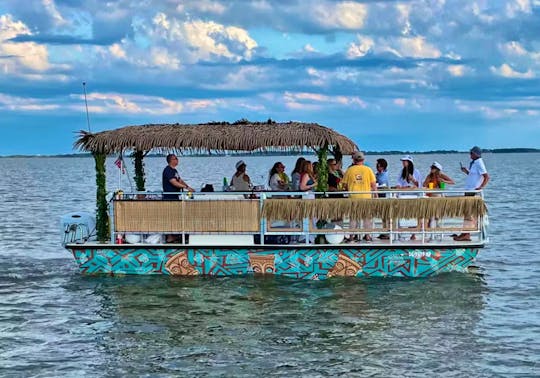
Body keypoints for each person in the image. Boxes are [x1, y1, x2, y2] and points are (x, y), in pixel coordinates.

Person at [454, 146, 490, 241]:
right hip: (469, 190)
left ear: (476, 154)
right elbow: (473, 176)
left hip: (472, 191)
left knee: (468, 213)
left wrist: (481, 187)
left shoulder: (479, 163)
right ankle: (465, 233)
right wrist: (466, 171)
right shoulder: (474, 163)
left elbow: (486, 177)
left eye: (471, 153)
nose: (470, 155)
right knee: (466, 212)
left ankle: (466, 234)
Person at [342, 151, 377, 242]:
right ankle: (368, 236)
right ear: (363, 160)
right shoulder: (368, 169)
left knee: (353, 218)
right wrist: (375, 194)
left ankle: (351, 237)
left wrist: (349, 188)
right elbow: (373, 184)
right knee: (367, 218)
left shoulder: (349, 170)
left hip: (353, 197)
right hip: (366, 197)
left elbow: (344, 185)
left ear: (354, 160)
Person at [422, 161, 455, 230]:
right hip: (430, 195)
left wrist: (443, 181)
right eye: (431, 167)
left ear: (437, 169)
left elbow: (452, 182)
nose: (431, 169)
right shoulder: (429, 176)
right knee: (431, 209)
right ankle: (430, 225)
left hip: (438, 194)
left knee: (437, 198)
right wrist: (427, 182)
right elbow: (424, 185)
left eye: (433, 168)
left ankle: (434, 224)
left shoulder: (441, 175)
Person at [375, 158, 390, 239]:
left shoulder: (384, 174)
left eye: (379, 166)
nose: (377, 167)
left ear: (382, 167)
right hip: (380, 195)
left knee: (385, 215)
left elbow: (382, 183)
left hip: (384, 195)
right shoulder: (378, 174)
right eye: (377, 166)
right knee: (383, 216)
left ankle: (387, 232)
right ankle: (385, 231)